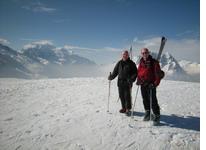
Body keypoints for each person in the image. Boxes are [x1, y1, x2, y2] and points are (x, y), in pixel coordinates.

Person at [136, 48, 161, 125]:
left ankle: (157, 115)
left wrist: (155, 84)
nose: (144, 54)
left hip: (151, 84)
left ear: (148, 53)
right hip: (143, 84)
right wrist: (138, 79)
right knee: (145, 99)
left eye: (146, 53)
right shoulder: (141, 62)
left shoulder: (154, 62)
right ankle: (147, 112)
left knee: (153, 100)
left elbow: (158, 75)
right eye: (143, 53)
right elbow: (139, 72)